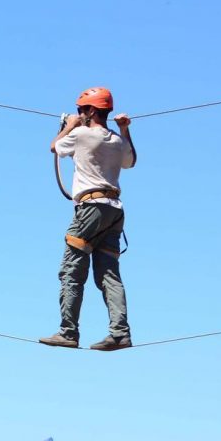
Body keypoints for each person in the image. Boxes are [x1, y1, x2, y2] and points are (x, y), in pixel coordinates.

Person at [40, 87, 137, 351]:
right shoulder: (117, 140)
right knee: (108, 273)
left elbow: (55, 147)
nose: (79, 114)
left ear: (92, 111)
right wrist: (125, 129)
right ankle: (120, 333)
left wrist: (69, 126)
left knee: (72, 269)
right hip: (114, 210)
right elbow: (130, 161)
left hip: (90, 209)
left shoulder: (81, 134)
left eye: (82, 110)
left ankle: (68, 332)